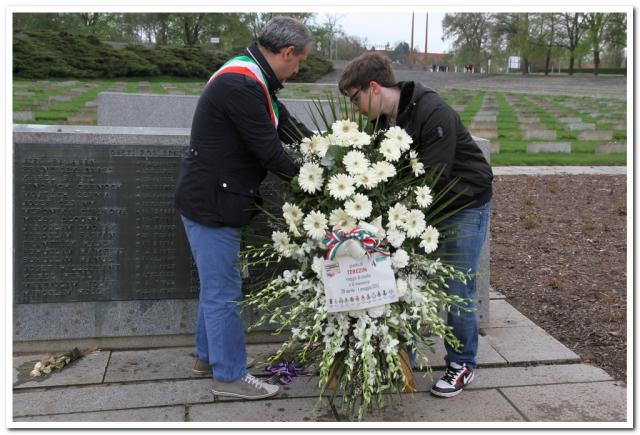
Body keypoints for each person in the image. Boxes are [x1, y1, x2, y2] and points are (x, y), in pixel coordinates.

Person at [339, 52, 493, 398]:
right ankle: (402, 360)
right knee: (407, 282)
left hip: (464, 204)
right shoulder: (384, 119)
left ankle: (462, 363)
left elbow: (432, 179)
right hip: (420, 210)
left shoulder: (431, 110)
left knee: (457, 288)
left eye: (354, 98)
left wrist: (393, 223)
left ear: (374, 87)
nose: (354, 108)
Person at [174, 16, 313, 400]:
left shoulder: (254, 77)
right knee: (225, 292)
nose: (298, 68)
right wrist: (314, 185)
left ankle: (208, 358)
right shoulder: (242, 83)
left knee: (216, 287)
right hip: (212, 204)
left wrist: (324, 148)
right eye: (299, 61)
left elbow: (285, 124)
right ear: (286, 52)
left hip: (212, 198)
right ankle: (230, 377)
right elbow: (270, 153)